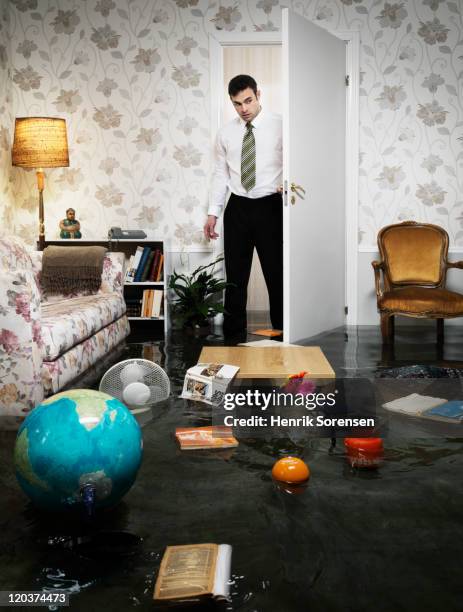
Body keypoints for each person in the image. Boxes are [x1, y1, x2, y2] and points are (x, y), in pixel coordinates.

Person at [204, 74, 283, 336]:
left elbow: (294, 163)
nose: (244, 109)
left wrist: (287, 181)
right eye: (237, 104)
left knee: (276, 274)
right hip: (237, 207)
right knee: (235, 278)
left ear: (258, 94)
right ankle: (233, 338)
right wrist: (213, 213)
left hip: (271, 207)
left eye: (248, 101)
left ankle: (283, 332)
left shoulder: (281, 126)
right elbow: (220, 174)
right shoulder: (226, 133)